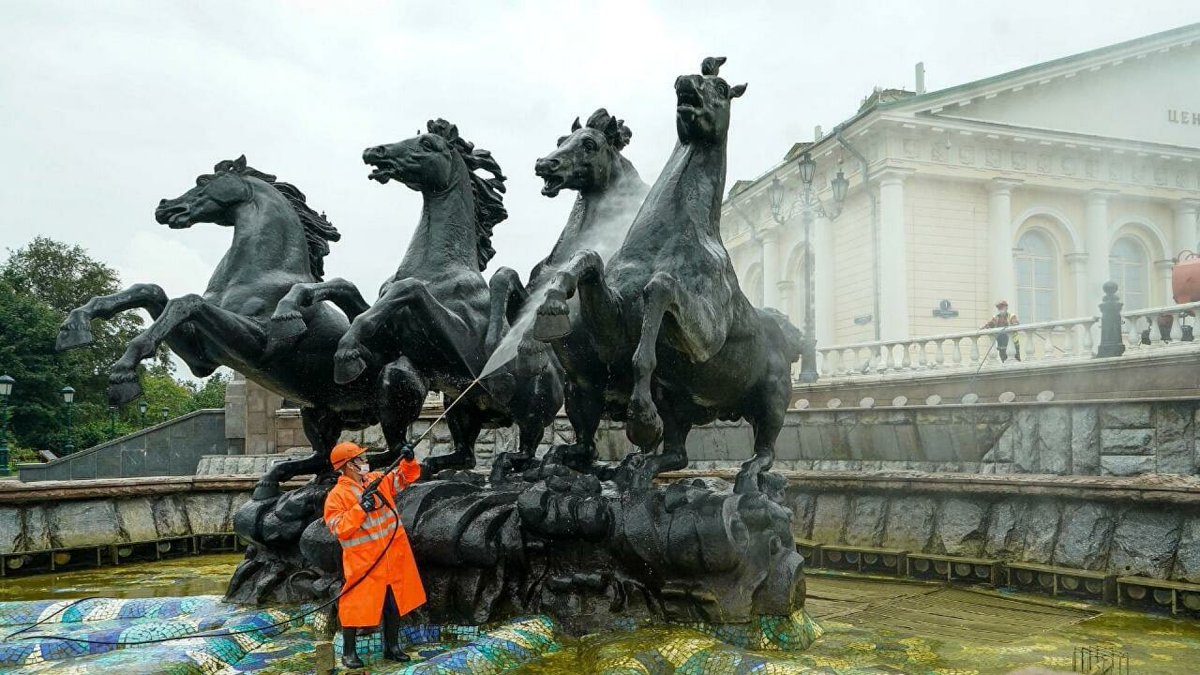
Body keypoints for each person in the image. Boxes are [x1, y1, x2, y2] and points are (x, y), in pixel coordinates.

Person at [324, 442, 425, 669]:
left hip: (393, 554)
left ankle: (392, 646)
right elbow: (338, 527)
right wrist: (361, 509)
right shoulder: (336, 495)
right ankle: (349, 653)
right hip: (365, 561)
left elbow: (405, 478)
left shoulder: (378, 480)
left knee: (393, 601)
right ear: (349, 465)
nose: (364, 461)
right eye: (359, 459)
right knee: (353, 603)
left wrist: (409, 460)